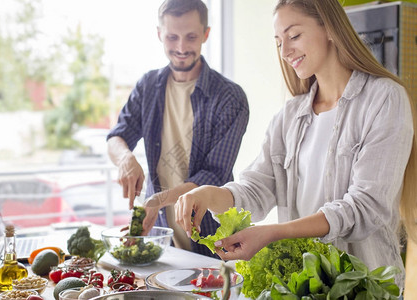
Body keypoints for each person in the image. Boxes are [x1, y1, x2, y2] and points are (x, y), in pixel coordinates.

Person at [175, 0, 417, 291]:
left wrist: (276, 233)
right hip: (303, 288)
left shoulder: (385, 98)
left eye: (294, 36)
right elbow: (257, 188)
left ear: (329, 28)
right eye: (279, 42)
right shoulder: (290, 116)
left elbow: (366, 207)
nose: (285, 52)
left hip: (366, 289)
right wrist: (211, 195)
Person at [107, 0, 249, 258]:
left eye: (191, 37)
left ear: (206, 34)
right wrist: (126, 159)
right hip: (160, 240)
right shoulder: (148, 86)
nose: (181, 48)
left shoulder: (229, 97)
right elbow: (117, 136)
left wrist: (158, 200)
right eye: (172, 37)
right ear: (159, 34)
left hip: (212, 240)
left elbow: (214, 175)